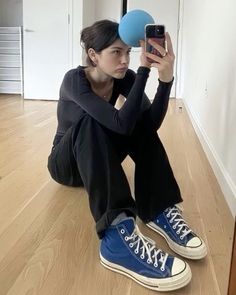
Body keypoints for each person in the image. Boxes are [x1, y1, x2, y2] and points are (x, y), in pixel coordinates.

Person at [47, 19, 207, 292]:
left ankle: (158, 209)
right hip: (68, 165)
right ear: (93, 55)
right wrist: (144, 70)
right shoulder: (75, 80)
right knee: (90, 121)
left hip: (98, 159)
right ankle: (116, 237)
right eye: (115, 53)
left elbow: (149, 126)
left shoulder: (124, 78)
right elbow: (120, 124)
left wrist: (166, 80)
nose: (125, 60)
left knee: (136, 123)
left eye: (128, 53)